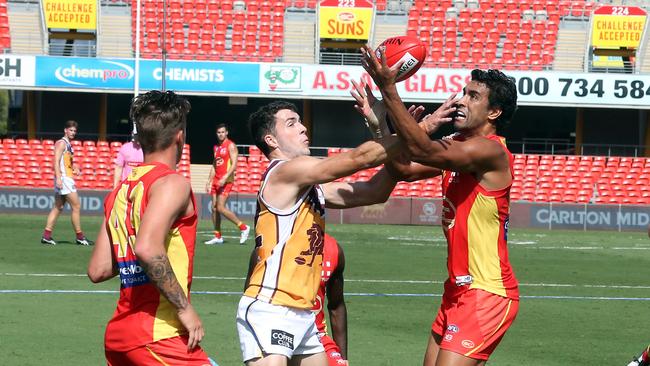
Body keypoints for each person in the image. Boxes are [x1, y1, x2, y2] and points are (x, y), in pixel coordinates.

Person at [359, 46, 520, 366]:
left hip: (486, 293)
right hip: (457, 292)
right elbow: (403, 169)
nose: (461, 100)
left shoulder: (490, 152)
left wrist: (389, 88)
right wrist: (381, 127)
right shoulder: (459, 147)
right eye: (463, 92)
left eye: (473, 96)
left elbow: (424, 150)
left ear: (494, 113)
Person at [236, 100, 400, 366]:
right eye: (291, 123)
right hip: (271, 304)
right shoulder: (283, 172)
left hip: (303, 311)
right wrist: (418, 130)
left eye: (300, 121)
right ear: (271, 140)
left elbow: (375, 191)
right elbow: (357, 159)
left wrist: (383, 130)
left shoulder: (308, 188)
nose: (303, 128)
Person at [87, 90, 211, 365]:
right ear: (180, 136)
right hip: (157, 334)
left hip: (120, 336)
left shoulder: (119, 192)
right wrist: (185, 308)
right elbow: (146, 249)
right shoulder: (172, 184)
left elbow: (98, 270)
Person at [40, 120, 90, 246]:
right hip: (64, 179)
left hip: (64, 177)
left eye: (74, 131)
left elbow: (66, 162)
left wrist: (75, 168)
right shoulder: (61, 143)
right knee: (76, 206)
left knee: (58, 207)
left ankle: (46, 236)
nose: (73, 133)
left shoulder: (68, 144)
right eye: (70, 130)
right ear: (65, 130)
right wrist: (58, 178)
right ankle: (80, 237)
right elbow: (55, 161)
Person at [204, 123, 250, 245]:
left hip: (226, 180)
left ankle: (244, 227)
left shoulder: (231, 145)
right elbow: (215, 165)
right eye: (219, 132)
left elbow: (234, 164)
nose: (221, 134)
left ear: (227, 133)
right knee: (214, 209)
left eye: (223, 132)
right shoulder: (216, 147)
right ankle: (218, 236)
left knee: (220, 207)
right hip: (216, 180)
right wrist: (209, 181)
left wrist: (225, 177)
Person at [313, 233, 348, 366]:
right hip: (279, 332)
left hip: (317, 336)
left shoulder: (333, 249)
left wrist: (343, 358)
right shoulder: (275, 244)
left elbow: (336, 305)